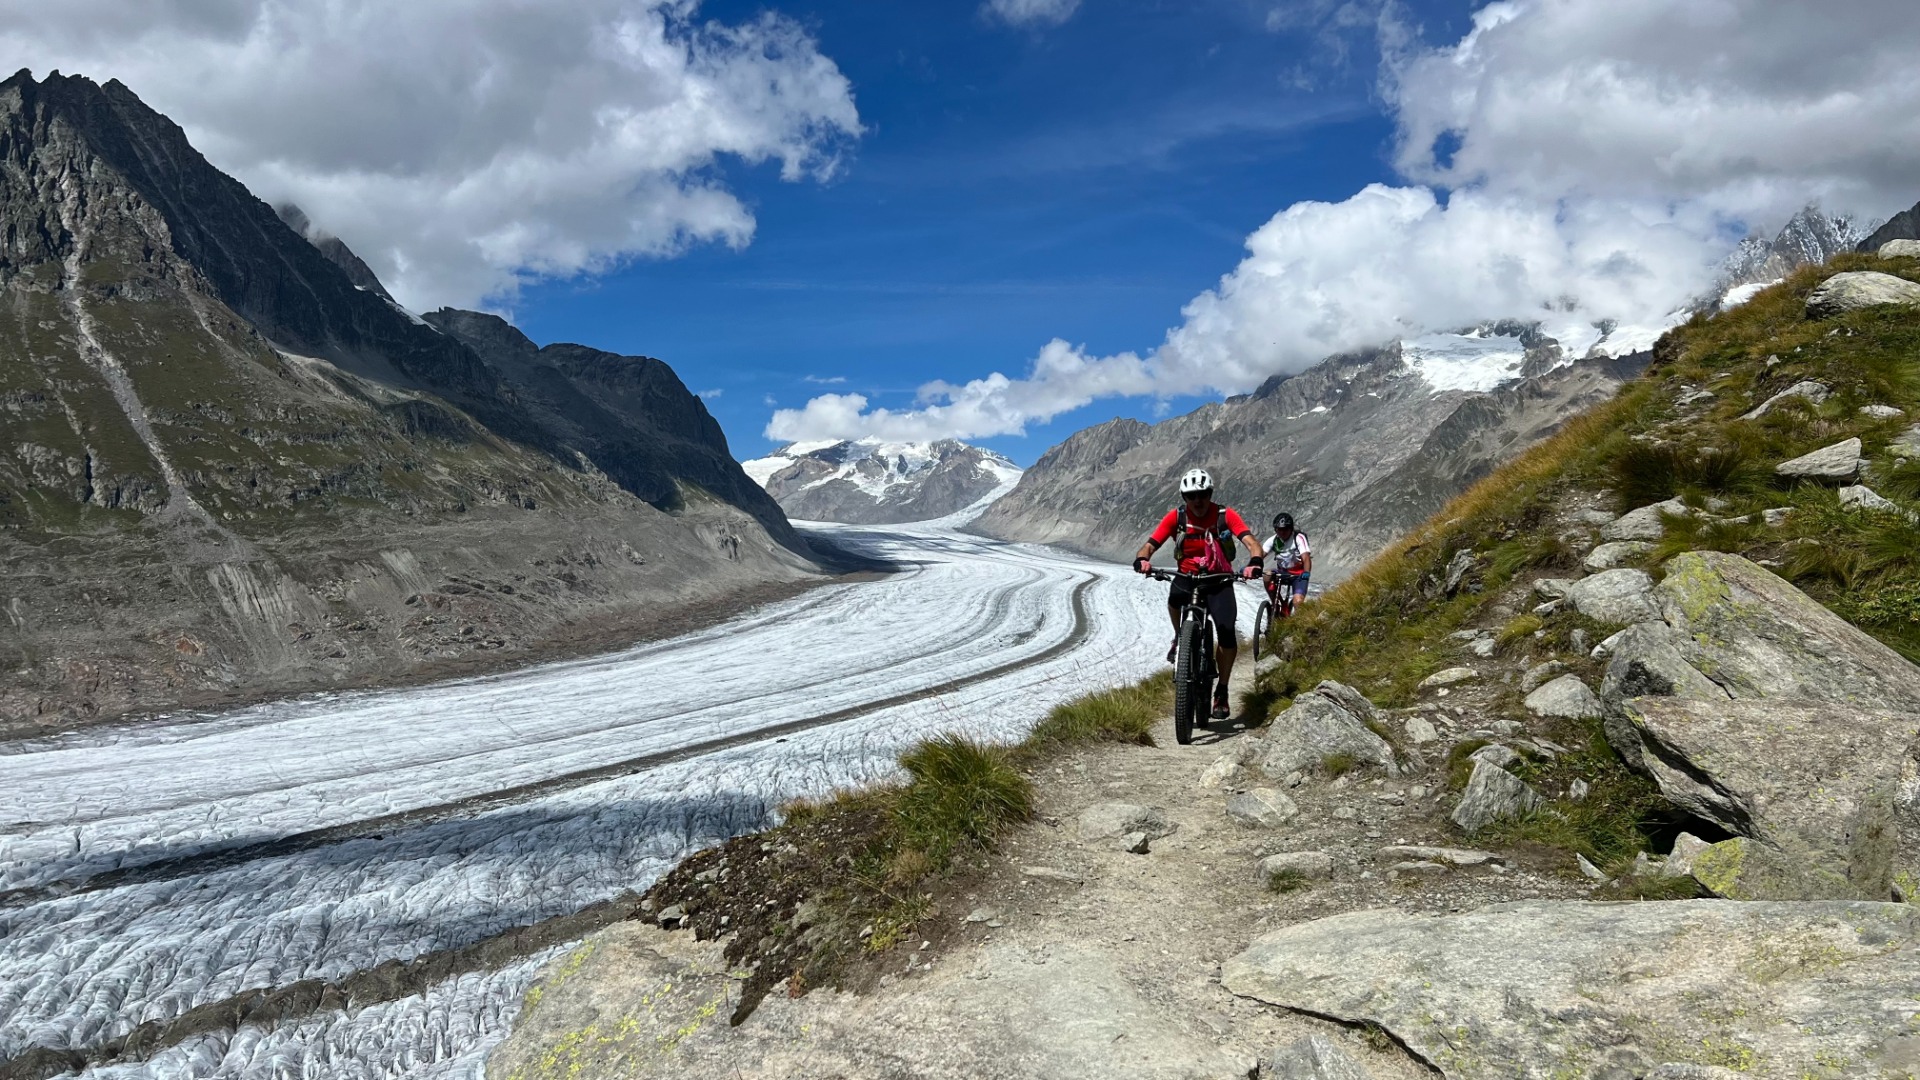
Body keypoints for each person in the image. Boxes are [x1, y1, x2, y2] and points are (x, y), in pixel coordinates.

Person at [1131, 468, 1264, 719]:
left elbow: (1250, 541)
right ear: (1184, 497)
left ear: (1210, 493)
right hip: (1187, 577)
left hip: (1218, 579)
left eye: (1202, 494)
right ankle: (1178, 637)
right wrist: (1142, 559)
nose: (1197, 500)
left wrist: (1255, 560)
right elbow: (1149, 545)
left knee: (1226, 633)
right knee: (1174, 599)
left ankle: (1221, 691)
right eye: (1191, 496)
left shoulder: (1225, 515)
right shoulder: (1176, 518)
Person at [1263, 512, 1312, 615]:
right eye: (1279, 529)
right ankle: (1275, 604)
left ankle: (1298, 626)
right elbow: (1260, 555)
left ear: (1291, 529)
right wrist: (1252, 566)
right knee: (1266, 575)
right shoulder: (1273, 540)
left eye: (1285, 529)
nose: (1282, 532)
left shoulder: (1298, 538)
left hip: (1298, 574)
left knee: (1298, 601)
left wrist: (1306, 572)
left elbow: (1306, 557)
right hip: (1283, 572)